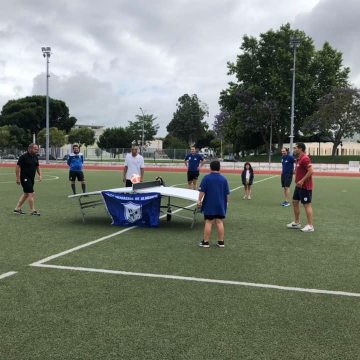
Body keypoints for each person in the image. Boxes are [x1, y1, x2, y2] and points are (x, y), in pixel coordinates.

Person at [197, 160, 230, 248]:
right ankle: (221, 241)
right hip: (220, 204)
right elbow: (227, 193)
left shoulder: (206, 178)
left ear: (210, 167)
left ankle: (206, 242)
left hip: (209, 204)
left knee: (208, 222)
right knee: (219, 222)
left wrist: (199, 201)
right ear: (219, 168)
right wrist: (226, 203)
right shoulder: (224, 179)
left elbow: (202, 192)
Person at [286, 142, 314, 232]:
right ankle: (297, 222)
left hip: (305, 186)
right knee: (294, 202)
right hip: (298, 186)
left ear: (301, 149)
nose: (294, 150)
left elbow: (311, 171)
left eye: (295, 148)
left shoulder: (305, 158)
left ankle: (310, 226)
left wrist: (302, 180)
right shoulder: (298, 159)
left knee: (307, 205)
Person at [14, 143, 42, 216]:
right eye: (35, 149)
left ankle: (17, 209)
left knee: (26, 194)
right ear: (30, 149)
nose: (37, 150)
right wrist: (17, 178)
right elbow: (17, 167)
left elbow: (37, 166)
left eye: (37, 149)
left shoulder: (35, 157)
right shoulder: (23, 157)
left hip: (31, 178)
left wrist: (40, 175)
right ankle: (33, 211)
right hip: (24, 178)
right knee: (31, 193)